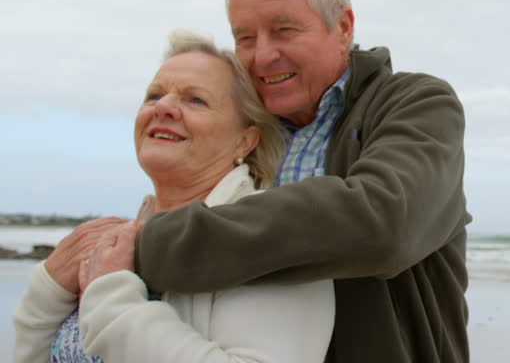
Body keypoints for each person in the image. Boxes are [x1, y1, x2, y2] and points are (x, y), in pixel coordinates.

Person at [131, 0, 472, 362]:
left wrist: (147, 247)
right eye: (245, 37)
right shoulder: (246, 128)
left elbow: (384, 223)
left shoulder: (416, 103)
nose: (262, 55)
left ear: (343, 27)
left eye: (284, 30)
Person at [13, 32, 335, 363]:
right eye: (154, 95)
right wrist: (47, 292)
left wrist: (112, 300)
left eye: (195, 100)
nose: (164, 107)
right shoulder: (115, 245)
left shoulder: (275, 240)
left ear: (246, 141)